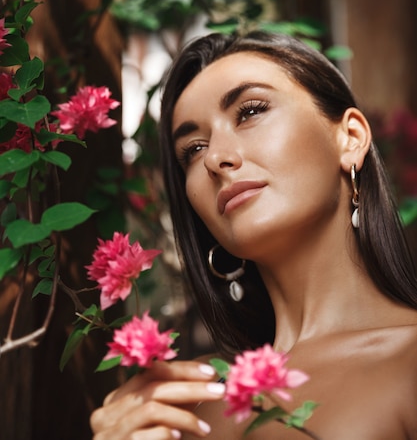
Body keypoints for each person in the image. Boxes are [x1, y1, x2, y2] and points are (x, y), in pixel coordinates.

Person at [91, 32, 417, 440]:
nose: (214, 158)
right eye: (193, 149)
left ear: (349, 138)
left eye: (250, 111)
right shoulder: (180, 399)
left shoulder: (409, 362)